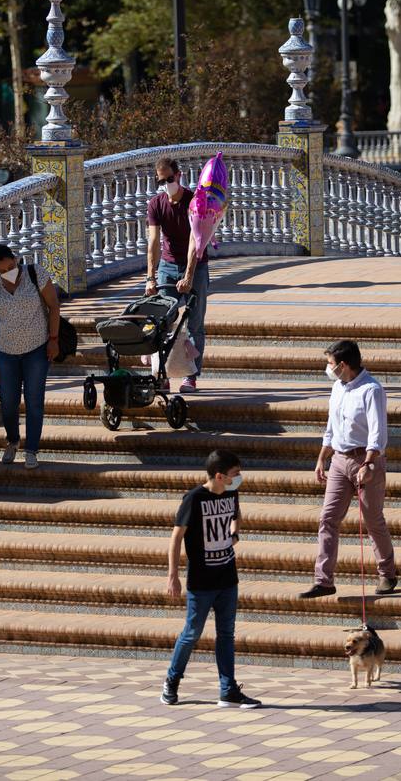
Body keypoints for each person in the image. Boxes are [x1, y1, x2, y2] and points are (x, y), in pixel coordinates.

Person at [161, 449, 262, 709]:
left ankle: (228, 690)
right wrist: (173, 575)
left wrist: (234, 535)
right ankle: (171, 681)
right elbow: (175, 538)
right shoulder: (194, 499)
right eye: (234, 474)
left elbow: (237, 518)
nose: (238, 478)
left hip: (227, 578)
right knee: (192, 633)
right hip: (201, 582)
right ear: (219, 476)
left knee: (226, 634)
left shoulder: (231, 492)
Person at [301, 340, 395, 599]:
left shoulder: (371, 390)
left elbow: (378, 433)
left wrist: (368, 463)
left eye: (330, 363)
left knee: (372, 519)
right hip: (340, 460)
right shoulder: (337, 388)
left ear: (343, 365)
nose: (328, 368)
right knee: (328, 518)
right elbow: (332, 427)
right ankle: (324, 579)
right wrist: (322, 458)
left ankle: (387, 572)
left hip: (366, 460)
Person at [0, 243, 60, 470]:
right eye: (4, 269)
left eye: (12, 265)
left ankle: (31, 450)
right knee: (8, 402)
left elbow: (54, 306)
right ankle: (13, 440)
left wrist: (53, 340)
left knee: (34, 401)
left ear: (16, 259)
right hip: (6, 351)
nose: (9, 271)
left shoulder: (35, 274)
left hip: (37, 348)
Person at [145, 157, 207, 393]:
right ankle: (162, 374)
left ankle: (190, 376)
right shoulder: (156, 204)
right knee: (162, 321)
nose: (166, 184)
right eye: (161, 181)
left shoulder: (194, 201)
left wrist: (189, 275)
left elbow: (196, 239)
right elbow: (153, 242)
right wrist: (151, 278)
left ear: (179, 175)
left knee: (195, 323)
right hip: (168, 267)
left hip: (196, 265)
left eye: (170, 179)